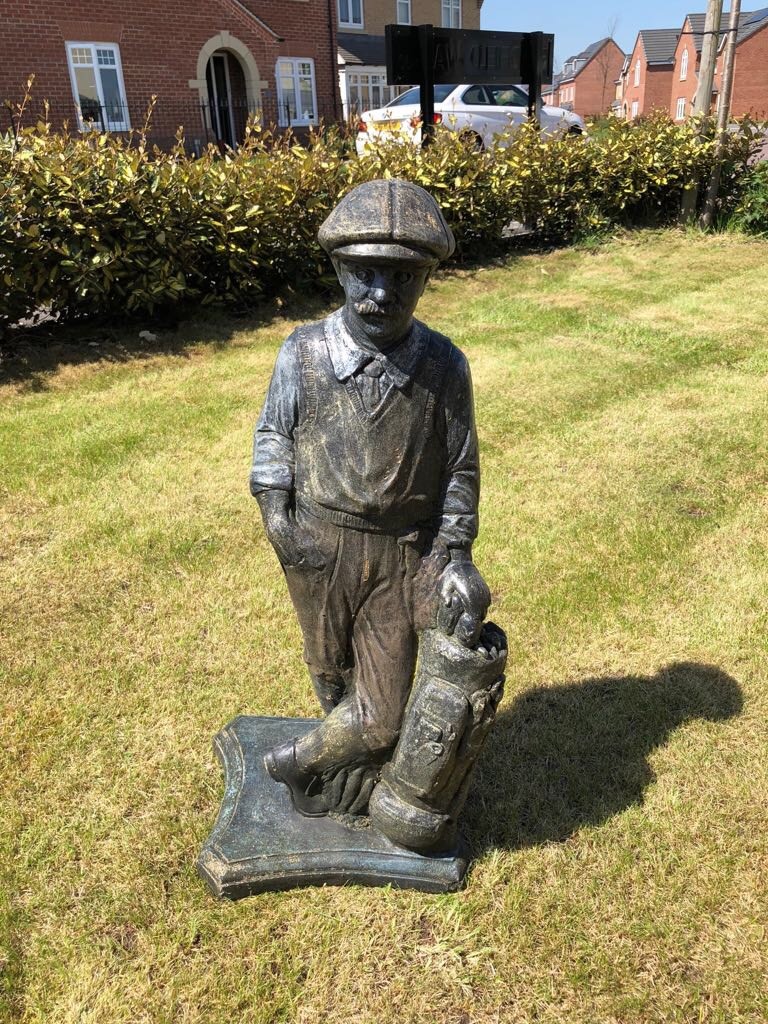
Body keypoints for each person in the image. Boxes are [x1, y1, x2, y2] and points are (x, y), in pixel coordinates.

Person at [250, 178, 489, 817]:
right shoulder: (304, 353)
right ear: (338, 268)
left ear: (426, 277)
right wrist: (278, 520)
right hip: (318, 542)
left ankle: (298, 761)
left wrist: (455, 551)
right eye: (364, 273)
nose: (381, 293)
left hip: (402, 552)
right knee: (329, 670)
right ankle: (347, 774)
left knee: (383, 709)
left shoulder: (443, 365)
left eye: (403, 277)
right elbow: (274, 436)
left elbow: (460, 466)